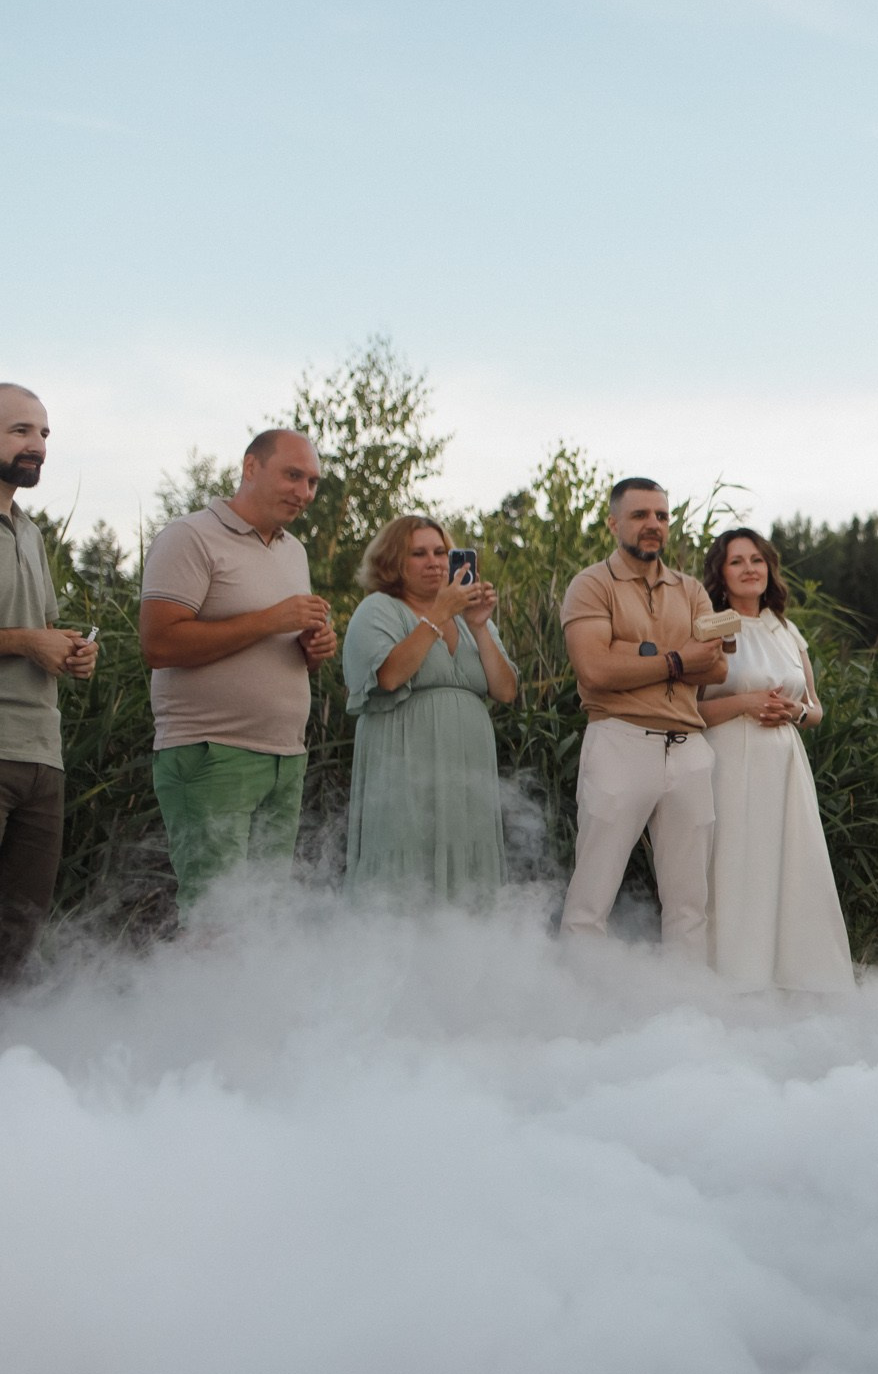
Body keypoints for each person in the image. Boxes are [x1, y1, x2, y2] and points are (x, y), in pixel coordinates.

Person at [139, 429, 337, 914]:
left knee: (264, 918)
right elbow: (159, 645)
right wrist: (271, 620)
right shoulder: (189, 536)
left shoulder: (294, 551)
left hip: (285, 758)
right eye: (293, 475)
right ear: (251, 467)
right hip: (211, 754)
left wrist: (313, 649)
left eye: (313, 482)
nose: (304, 492)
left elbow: (278, 649)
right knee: (216, 918)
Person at [558, 479, 729, 958]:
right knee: (592, 897)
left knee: (689, 903)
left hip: (689, 749)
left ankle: (685, 1001)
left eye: (661, 515)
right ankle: (573, 997)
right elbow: (595, 671)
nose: (653, 524)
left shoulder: (691, 590)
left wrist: (631, 655)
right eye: (640, 515)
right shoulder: (591, 584)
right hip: (620, 741)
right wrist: (678, 660)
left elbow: (717, 668)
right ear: (613, 523)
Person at [698, 527, 854, 994]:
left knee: (792, 867)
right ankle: (738, 982)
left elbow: (815, 708)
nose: (749, 569)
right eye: (737, 561)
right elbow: (690, 711)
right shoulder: (711, 627)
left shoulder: (786, 630)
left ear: (769, 568)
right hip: (730, 763)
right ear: (721, 574)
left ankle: (801, 982)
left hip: (785, 765)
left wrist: (796, 712)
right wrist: (745, 703)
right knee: (740, 867)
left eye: (757, 560)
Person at [341, 516, 517, 902]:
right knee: (406, 850)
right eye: (418, 553)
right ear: (393, 562)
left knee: (468, 861)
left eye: (440, 552)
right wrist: (437, 614)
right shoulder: (378, 609)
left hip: (467, 766)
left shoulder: (470, 618)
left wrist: (480, 627)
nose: (434, 562)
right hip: (404, 758)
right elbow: (389, 676)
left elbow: (505, 690)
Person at [0, 385, 96, 976]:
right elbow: (25, 636)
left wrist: (70, 652)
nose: (37, 445)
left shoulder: (30, 531)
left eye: (43, 433)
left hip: (42, 756)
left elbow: (43, 629)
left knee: (19, 936)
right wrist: (24, 642)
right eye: (20, 431)